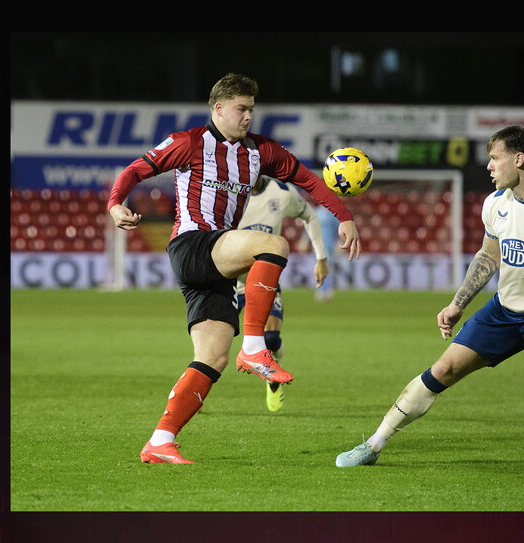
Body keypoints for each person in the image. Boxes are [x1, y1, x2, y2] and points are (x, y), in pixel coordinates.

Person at [106, 73, 361, 464]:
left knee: (212, 358)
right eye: (241, 109)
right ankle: (256, 348)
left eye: (251, 110)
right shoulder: (188, 143)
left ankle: (160, 440)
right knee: (274, 244)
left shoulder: (261, 151)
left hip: (215, 266)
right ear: (218, 108)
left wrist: (343, 216)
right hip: (192, 244)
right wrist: (115, 204)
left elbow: (309, 181)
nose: (247, 117)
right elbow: (135, 170)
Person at [334, 126, 524, 475]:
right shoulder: (496, 204)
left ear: (519, 158)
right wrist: (457, 304)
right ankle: (374, 443)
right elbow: (487, 257)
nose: (489, 167)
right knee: (444, 369)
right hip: (508, 307)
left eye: (495, 158)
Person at [236, 174, 330, 412]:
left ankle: (271, 375)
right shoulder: (228, 193)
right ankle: (196, 392)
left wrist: (321, 258)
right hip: (229, 279)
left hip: (264, 279)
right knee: (215, 348)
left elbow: (310, 215)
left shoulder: (282, 192)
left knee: (271, 340)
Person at [313, 205, 340, 302]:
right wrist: (304, 240)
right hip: (316, 244)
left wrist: (339, 242)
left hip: (328, 244)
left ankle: (328, 289)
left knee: (327, 267)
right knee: (318, 267)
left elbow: (339, 228)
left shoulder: (332, 213)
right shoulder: (315, 212)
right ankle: (321, 289)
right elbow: (309, 227)